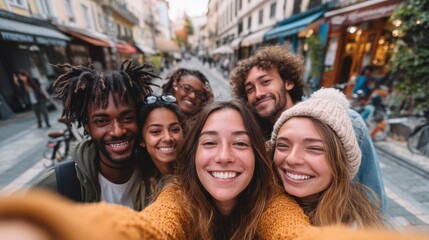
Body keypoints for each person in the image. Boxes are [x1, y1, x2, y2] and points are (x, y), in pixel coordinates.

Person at [230, 45, 387, 214]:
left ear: (288, 82)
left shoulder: (343, 120)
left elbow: (372, 194)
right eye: (250, 89)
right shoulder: (256, 135)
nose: (258, 93)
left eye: (266, 82)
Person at [139, 100, 310, 239]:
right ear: (194, 155)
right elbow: (155, 225)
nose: (223, 157)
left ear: (256, 156)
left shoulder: (272, 199)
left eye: (240, 143)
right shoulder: (176, 197)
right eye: (210, 143)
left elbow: (293, 230)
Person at [32, 59, 160, 210]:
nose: (117, 131)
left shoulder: (157, 172)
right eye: (102, 121)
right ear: (87, 126)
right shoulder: (57, 186)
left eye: (127, 118)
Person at [270, 88, 384, 228]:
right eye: (282, 145)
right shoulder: (255, 198)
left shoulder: (357, 230)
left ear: (341, 161)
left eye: (315, 148)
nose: (292, 159)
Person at [137, 94, 184, 200]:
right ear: (141, 139)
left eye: (175, 129)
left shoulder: (197, 174)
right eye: (155, 131)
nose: (168, 138)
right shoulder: (141, 186)